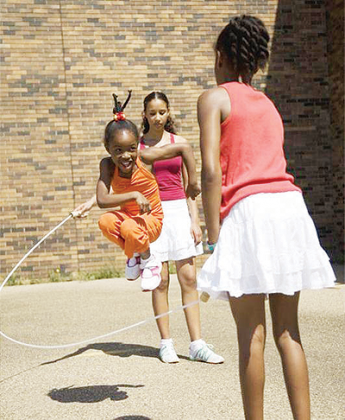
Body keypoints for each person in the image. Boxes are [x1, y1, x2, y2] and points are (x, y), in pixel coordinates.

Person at [197, 15, 335, 420]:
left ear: (221, 56)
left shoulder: (214, 98)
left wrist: (213, 236)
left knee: (250, 337)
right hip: (289, 208)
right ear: (256, 60)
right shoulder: (268, 105)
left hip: (249, 211)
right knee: (288, 332)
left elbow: (210, 171)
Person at [139, 91, 224, 364]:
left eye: (162, 112)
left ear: (168, 112)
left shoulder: (180, 143)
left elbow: (191, 188)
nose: (157, 117)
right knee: (161, 280)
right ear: (145, 115)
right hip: (153, 213)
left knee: (188, 277)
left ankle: (197, 344)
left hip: (179, 211)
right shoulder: (138, 147)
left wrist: (194, 219)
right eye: (152, 113)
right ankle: (166, 344)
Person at [96, 91, 200, 292]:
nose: (126, 156)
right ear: (107, 148)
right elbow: (102, 199)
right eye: (118, 150)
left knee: (129, 227)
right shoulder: (107, 166)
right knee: (105, 221)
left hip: (152, 218)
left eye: (131, 149)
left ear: (137, 146)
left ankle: (147, 258)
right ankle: (135, 253)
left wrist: (193, 183)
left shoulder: (144, 158)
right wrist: (134, 195)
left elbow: (184, 149)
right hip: (131, 217)